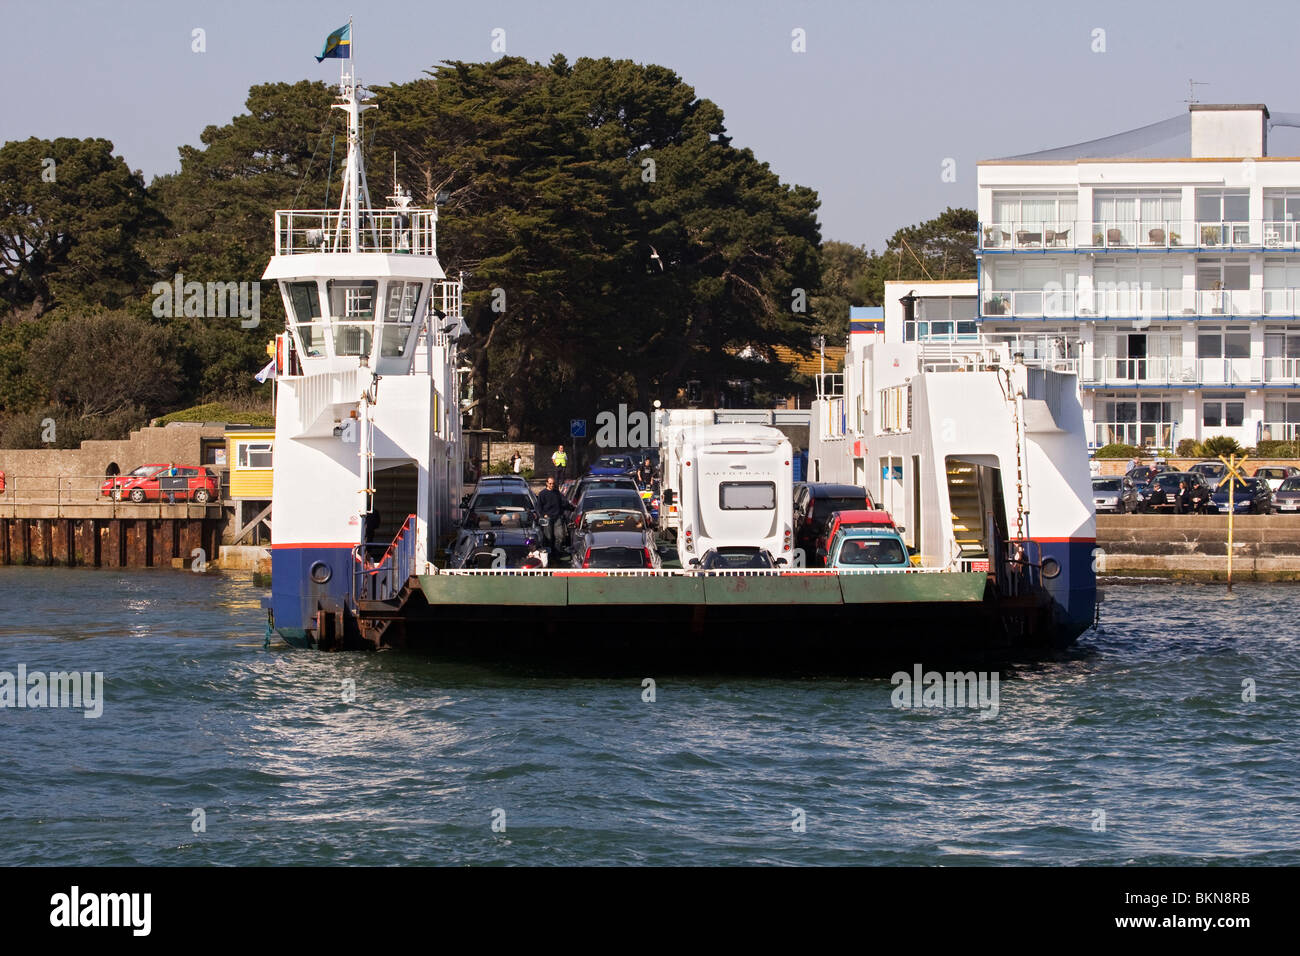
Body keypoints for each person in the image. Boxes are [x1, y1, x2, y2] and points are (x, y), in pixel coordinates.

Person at [535, 476, 574, 558]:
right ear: (546, 483)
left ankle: (557, 552)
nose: (552, 485)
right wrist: (543, 515)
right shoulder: (542, 494)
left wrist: (573, 508)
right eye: (550, 483)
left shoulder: (557, 493)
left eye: (553, 483)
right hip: (547, 518)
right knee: (548, 537)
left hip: (557, 517)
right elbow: (538, 507)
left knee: (559, 536)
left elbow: (564, 503)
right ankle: (549, 554)